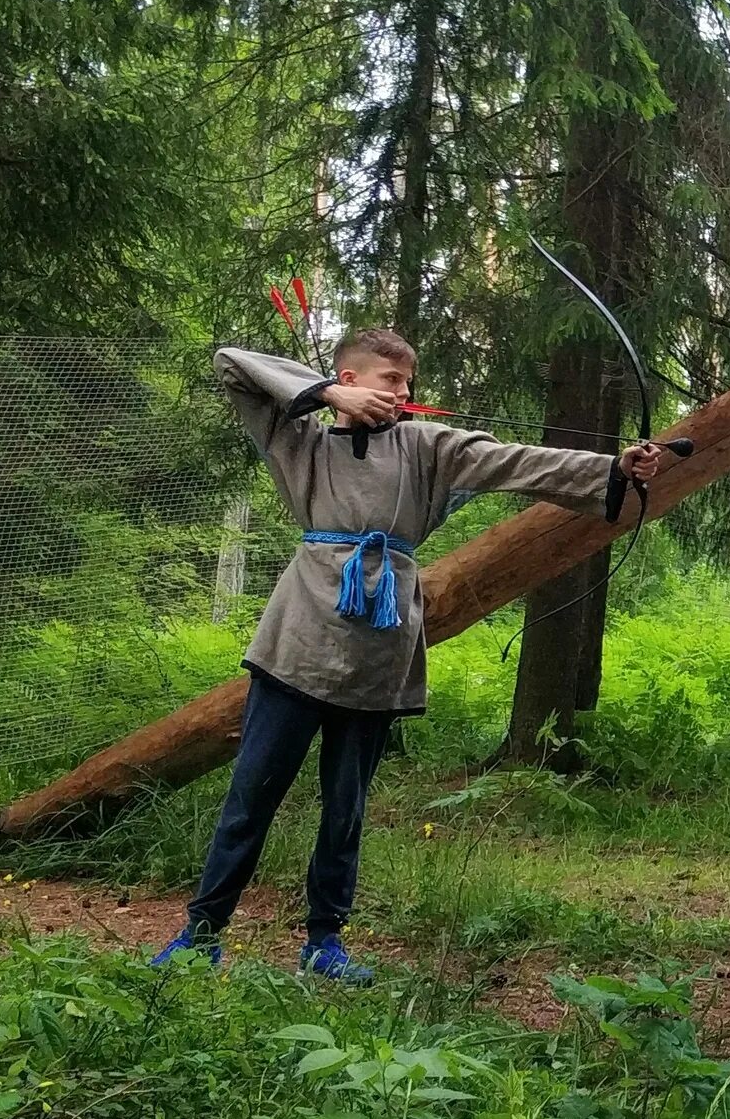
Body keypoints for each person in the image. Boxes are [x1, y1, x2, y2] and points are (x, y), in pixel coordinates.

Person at [152, 331, 669, 982]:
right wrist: (329, 394)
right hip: (299, 640)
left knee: (347, 807)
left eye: (407, 382)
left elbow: (514, 462)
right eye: (390, 379)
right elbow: (232, 364)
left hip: (379, 653)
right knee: (251, 795)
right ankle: (201, 933)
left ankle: (324, 943)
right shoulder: (300, 440)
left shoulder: (426, 445)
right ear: (349, 376)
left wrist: (615, 469)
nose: (403, 392)